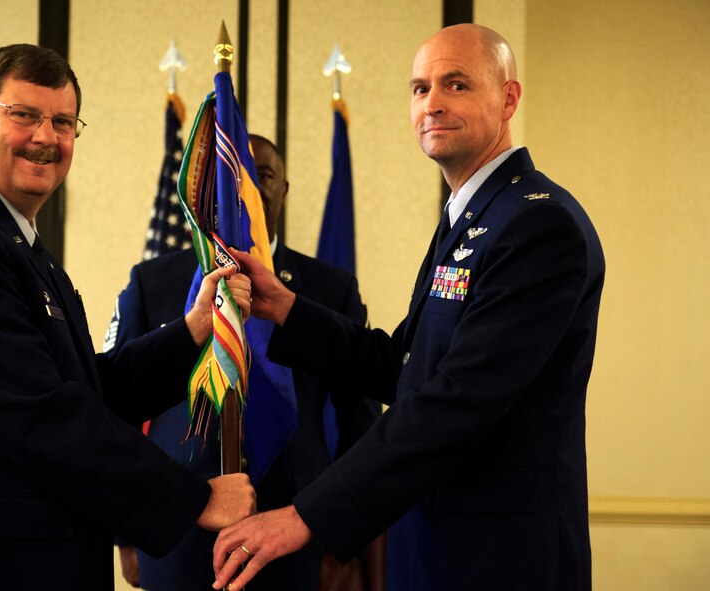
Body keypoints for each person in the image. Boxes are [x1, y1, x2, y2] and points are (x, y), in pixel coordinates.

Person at [0, 44, 256, 591]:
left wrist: (192, 331)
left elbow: (83, 388)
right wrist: (194, 497)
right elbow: (37, 412)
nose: (46, 138)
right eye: (25, 115)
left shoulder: (9, 238)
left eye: (63, 122)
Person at [213, 23, 605, 591]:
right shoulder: (471, 214)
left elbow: (455, 402)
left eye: (457, 85)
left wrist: (306, 515)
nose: (433, 103)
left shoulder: (538, 223)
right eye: (420, 88)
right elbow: (407, 366)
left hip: (500, 557)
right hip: (433, 540)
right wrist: (288, 308)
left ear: (509, 98)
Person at [104, 135, 382, 590]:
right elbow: (117, 409)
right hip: (177, 529)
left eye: (262, 176)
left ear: (283, 191)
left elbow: (361, 422)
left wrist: (339, 534)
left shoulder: (329, 288)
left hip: (296, 526)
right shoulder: (154, 281)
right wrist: (126, 531)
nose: (244, 188)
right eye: (231, 175)